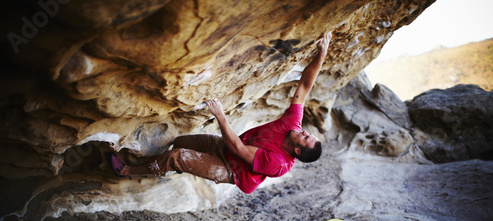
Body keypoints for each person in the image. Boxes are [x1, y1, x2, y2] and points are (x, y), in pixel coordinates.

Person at [109, 31, 332, 194]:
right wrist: (321, 54)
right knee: (179, 141)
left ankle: (129, 170)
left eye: (304, 137)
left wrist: (220, 115)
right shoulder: (292, 125)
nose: (302, 131)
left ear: (296, 150)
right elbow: (304, 87)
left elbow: (239, 148)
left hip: (230, 169)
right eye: (307, 133)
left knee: (177, 156)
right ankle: (169, 166)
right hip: (227, 147)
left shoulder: (278, 163)